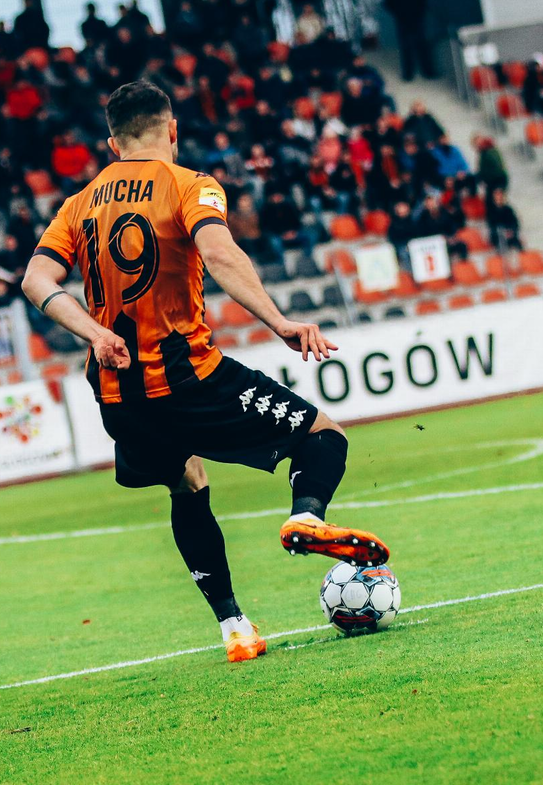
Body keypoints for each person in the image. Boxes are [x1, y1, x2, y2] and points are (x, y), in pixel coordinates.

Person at [22, 81, 389, 664]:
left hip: (117, 390)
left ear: (112, 143)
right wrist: (279, 321)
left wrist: (94, 333)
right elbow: (218, 254)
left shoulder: (78, 204)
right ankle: (305, 517)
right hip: (188, 376)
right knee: (323, 435)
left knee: (187, 481)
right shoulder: (190, 185)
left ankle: (234, 627)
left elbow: (36, 280)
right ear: (172, 130)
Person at [382, 0, 434, 81]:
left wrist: (420, 11)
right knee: (406, 46)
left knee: (421, 44)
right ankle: (408, 73)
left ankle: (427, 71)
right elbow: (388, 2)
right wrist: (398, 12)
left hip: (416, 17)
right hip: (402, 19)